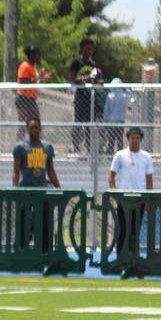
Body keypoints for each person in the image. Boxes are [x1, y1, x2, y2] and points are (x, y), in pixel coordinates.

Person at [12, 117, 61, 253]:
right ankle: (21, 250)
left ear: (40, 129)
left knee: (44, 221)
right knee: (23, 222)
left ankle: (44, 251)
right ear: (27, 129)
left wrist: (58, 189)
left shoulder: (47, 147)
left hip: (42, 191)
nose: (34, 130)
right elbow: (16, 171)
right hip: (25, 190)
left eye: (36, 127)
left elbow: (50, 171)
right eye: (31, 127)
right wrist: (16, 191)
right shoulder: (20, 147)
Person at [108, 127, 155, 255]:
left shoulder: (146, 157)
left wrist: (148, 199)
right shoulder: (120, 155)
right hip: (124, 199)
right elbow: (111, 177)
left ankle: (133, 259)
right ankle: (120, 259)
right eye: (132, 138)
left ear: (140, 140)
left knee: (135, 230)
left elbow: (149, 180)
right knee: (122, 229)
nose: (135, 140)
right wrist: (115, 194)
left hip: (140, 199)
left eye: (137, 138)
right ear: (128, 139)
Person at [70, 37, 103, 154]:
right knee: (78, 123)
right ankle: (75, 147)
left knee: (90, 125)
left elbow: (96, 78)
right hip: (80, 98)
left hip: (91, 98)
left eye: (91, 49)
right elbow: (73, 79)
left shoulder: (92, 63)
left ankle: (90, 148)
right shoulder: (77, 62)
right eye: (87, 49)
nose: (90, 51)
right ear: (81, 48)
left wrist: (98, 81)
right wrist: (85, 79)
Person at [15, 45, 50, 124]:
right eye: (38, 55)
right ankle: (22, 137)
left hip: (31, 99)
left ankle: (34, 136)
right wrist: (38, 77)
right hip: (24, 99)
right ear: (32, 55)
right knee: (24, 125)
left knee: (35, 123)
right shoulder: (25, 66)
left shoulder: (33, 67)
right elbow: (23, 82)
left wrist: (42, 79)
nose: (40, 57)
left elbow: (34, 82)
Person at [102, 78, 131, 153]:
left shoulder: (110, 96)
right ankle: (119, 153)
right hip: (120, 120)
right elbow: (130, 95)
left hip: (111, 121)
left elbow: (106, 109)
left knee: (111, 138)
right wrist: (126, 89)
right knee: (119, 139)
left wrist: (105, 120)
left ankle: (109, 153)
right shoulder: (124, 96)